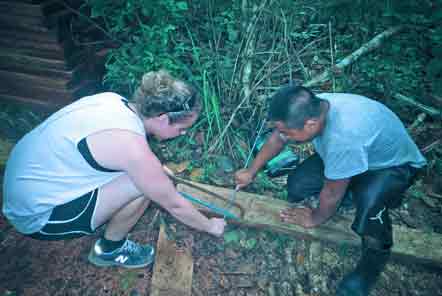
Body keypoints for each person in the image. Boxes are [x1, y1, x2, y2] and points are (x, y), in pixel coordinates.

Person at [2, 70, 226, 269]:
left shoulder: (112, 100)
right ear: (163, 118)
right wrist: (210, 226)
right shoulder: (131, 147)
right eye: (182, 128)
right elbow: (175, 204)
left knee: (146, 177)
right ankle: (109, 250)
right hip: (37, 216)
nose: (184, 133)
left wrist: (152, 172)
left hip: (25, 188)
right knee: (140, 185)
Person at [235, 85, 426, 296]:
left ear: (311, 124)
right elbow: (278, 138)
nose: (283, 135)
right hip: (358, 156)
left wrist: (315, 218)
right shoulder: (313, 106)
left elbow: (332, 192)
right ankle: (353, 189)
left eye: (288, 132)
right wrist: (251, 171)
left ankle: (368, 271)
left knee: (370, 214)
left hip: (392, 167)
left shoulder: (343, 138)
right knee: (298, 185)